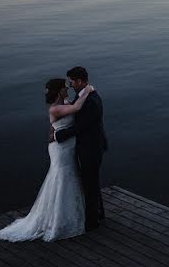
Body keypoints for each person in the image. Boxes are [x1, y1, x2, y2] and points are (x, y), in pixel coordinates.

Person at [0, 79, 95, 242]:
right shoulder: (55, 108)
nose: (68, 89)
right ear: (59, 91)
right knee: (61, 176)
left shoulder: (63, 103)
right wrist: (87, 90)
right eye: (65, 88)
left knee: (69, 175)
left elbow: (53, 125)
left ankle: (66, 213)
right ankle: (58, 219)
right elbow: (77, 107)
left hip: (67, 145)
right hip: (60, 149)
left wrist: (51, 135)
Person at [53, 66, 108, 231]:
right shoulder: (87, 95)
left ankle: (92, 222)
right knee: (92, 181)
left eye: (72, 83)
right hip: (92, 145)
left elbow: (80, 127)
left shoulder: (89, 101)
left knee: (89, 184)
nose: (70, 86)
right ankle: (98, 213)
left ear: (80, 81)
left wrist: (57, 136)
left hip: (91, 148)